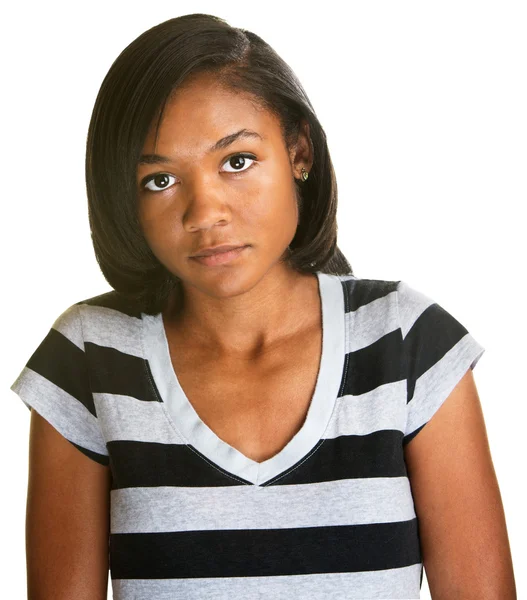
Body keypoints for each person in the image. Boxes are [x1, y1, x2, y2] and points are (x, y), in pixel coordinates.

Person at [10, 13, 516, 600]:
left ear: (298, 151)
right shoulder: (88, 360)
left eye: (237, 161)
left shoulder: (407, 345)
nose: (205, 213)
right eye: (160, 180)